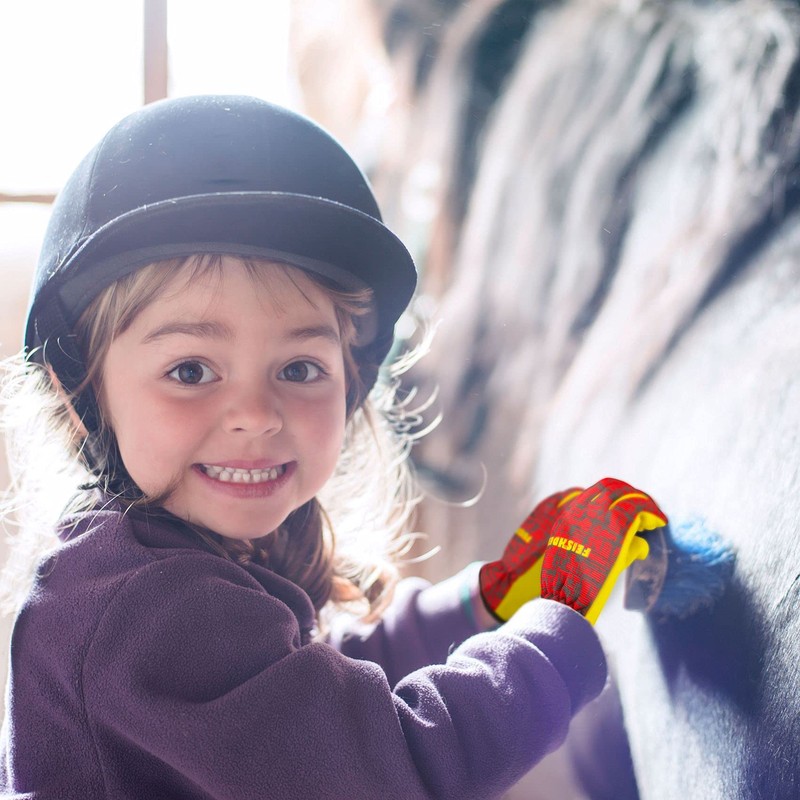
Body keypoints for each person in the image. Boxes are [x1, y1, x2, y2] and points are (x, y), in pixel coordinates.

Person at [0, 94, 666, 800]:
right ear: (81, 395)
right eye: (191, 371)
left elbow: (309, 700)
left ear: (350, 384)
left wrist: (484, 600)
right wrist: (551, 632)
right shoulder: (150, 609)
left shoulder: (159, 564)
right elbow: (389, 769)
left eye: (298, 369)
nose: (256, 415)